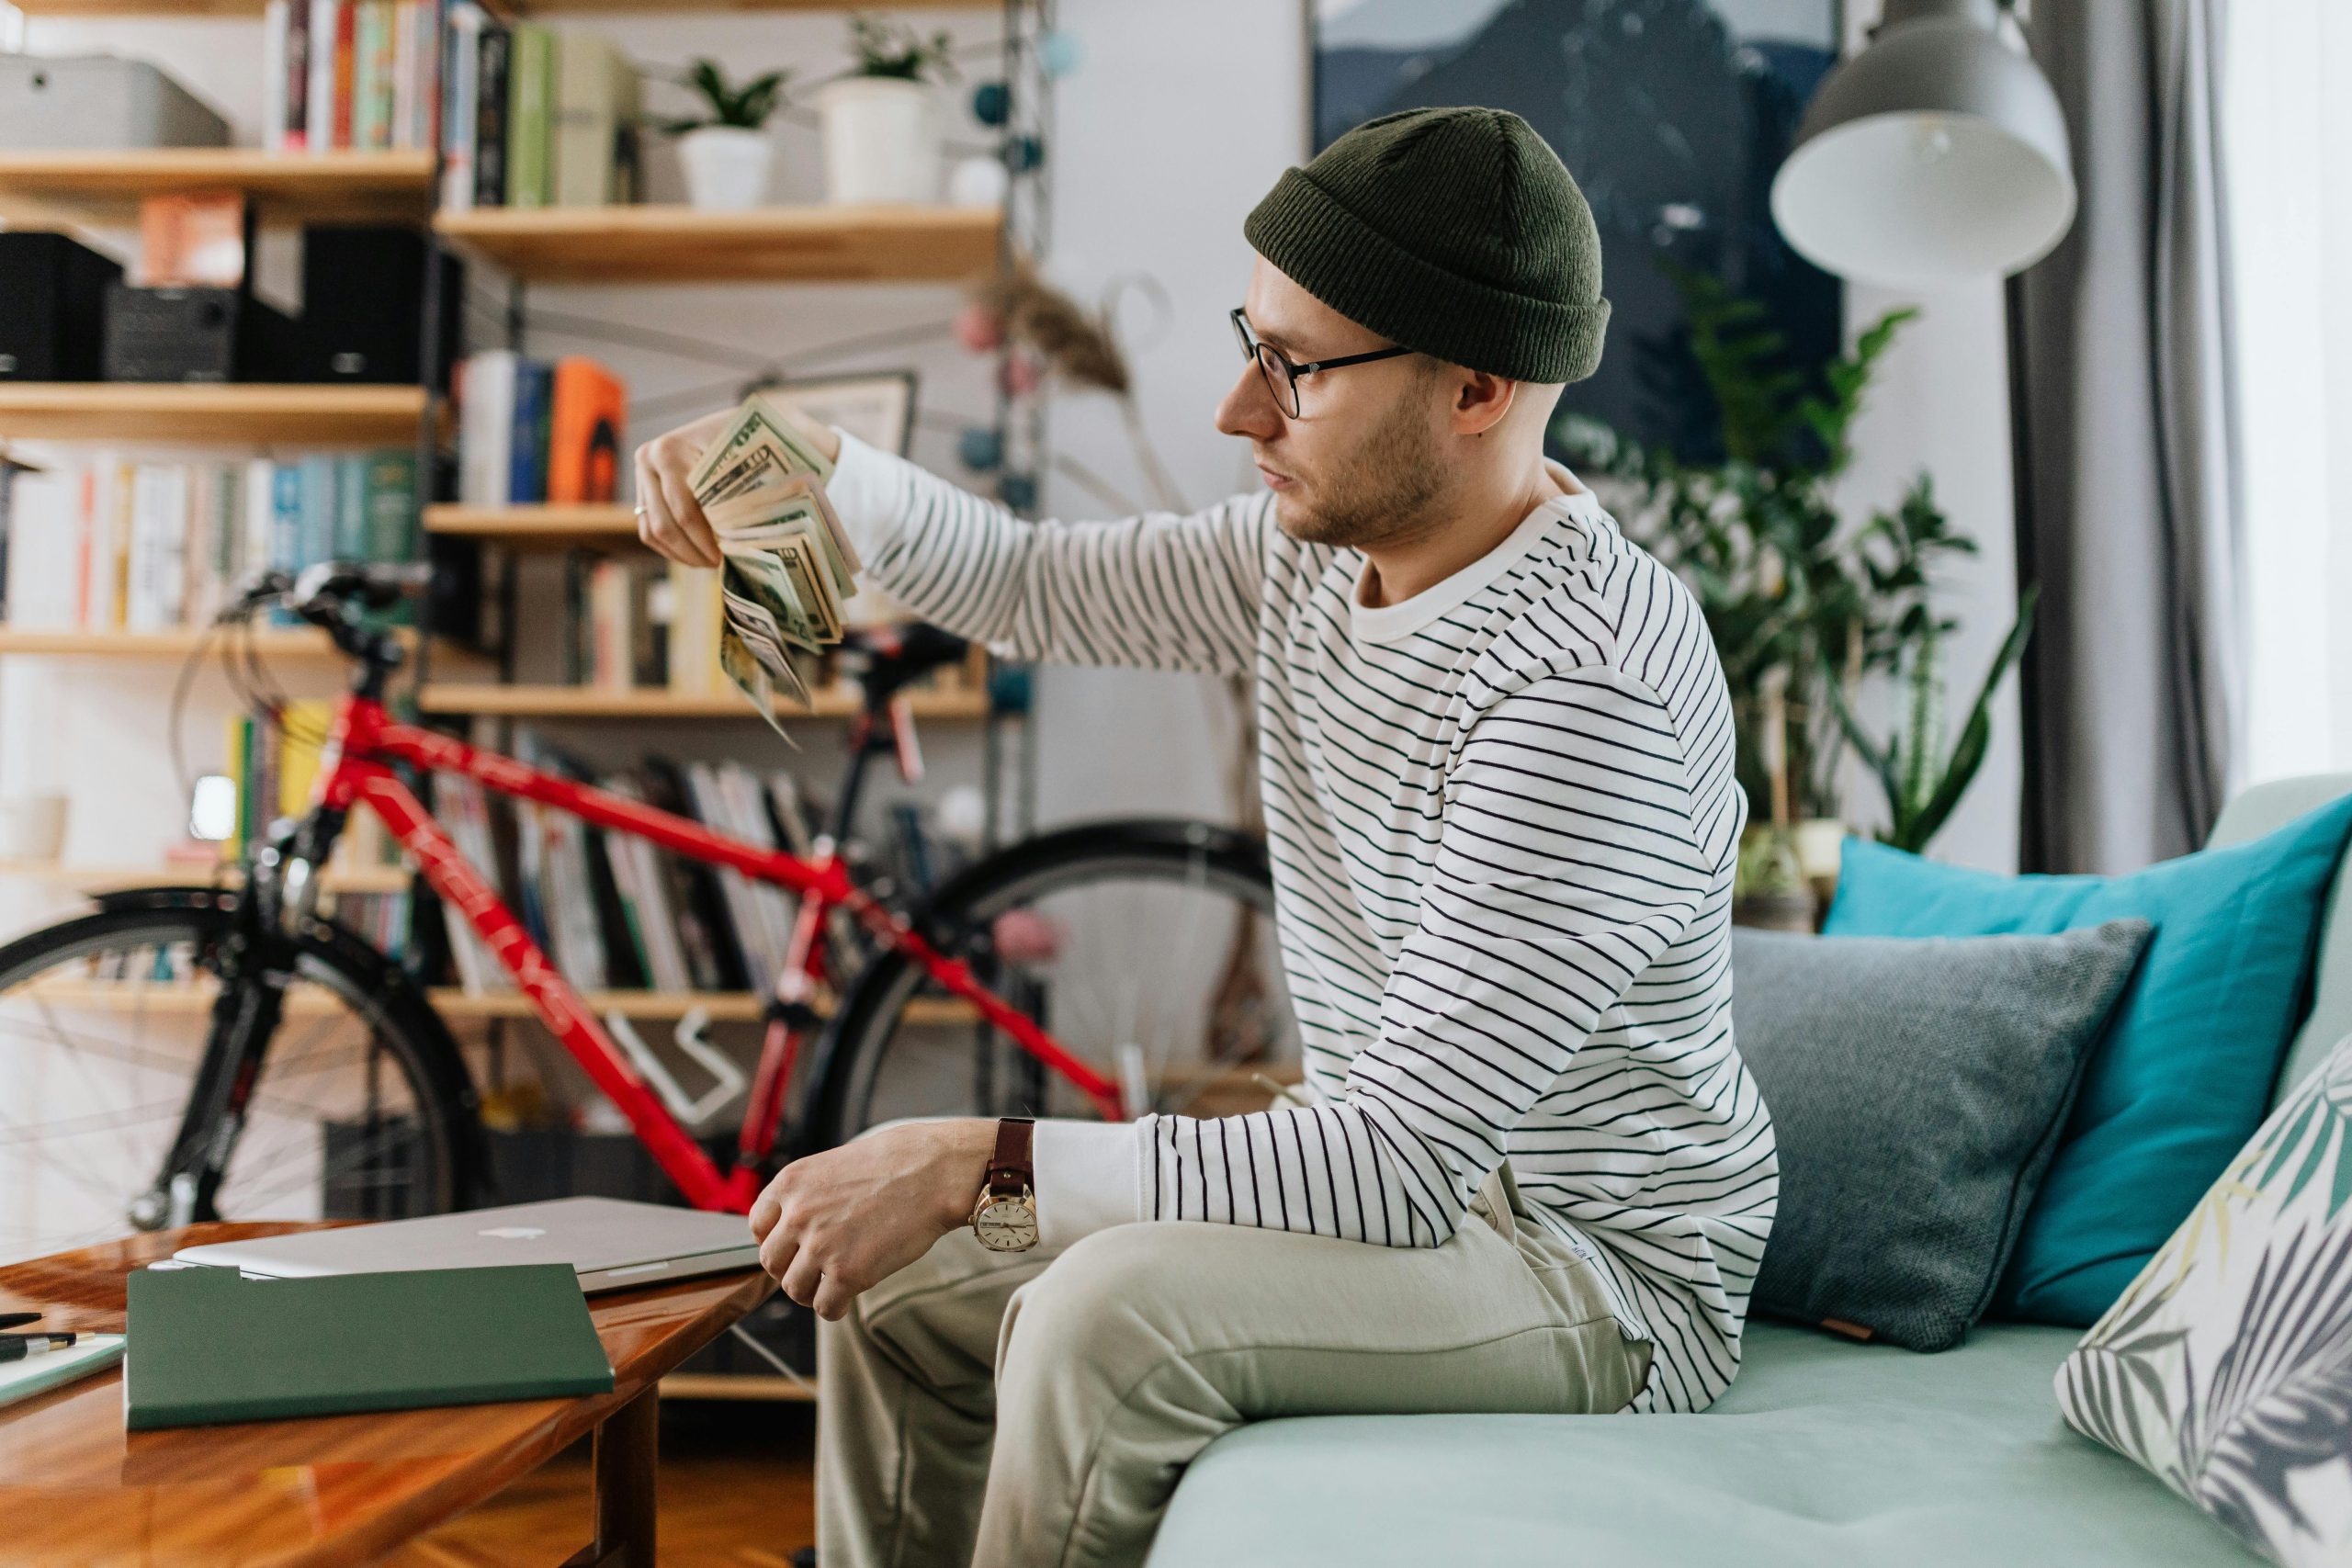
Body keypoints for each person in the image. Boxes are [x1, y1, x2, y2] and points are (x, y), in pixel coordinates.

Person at [636, 106, 1777, 1568]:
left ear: (1480, 384)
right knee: (907, 1286)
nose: (1241, 410)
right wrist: (808, 463)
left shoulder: (1586, 686)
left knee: (1099, 1318)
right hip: (1414, 1190)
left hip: (1583, 1267)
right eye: (1255, 340)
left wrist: (972, 1160)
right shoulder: (1314, 555)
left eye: (1295, 368)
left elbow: (1394, 1166)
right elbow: (1031, 584)